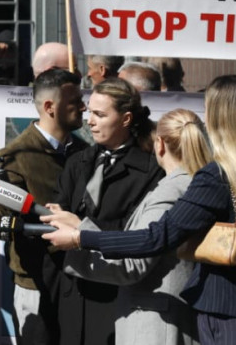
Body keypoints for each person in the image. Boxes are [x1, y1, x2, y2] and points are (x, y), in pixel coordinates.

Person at [43, 75, 236, 345]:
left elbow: (155, 239)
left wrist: (83, 238)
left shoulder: (217, 176)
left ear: (215, 118)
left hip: (231, 322)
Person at [48, 108, 211, 345]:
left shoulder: (169, 191)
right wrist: (81, 225)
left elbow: (133, 263)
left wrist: (75, 241)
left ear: (160, 145)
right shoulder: (195, 183)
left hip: (155, 325)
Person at [0, 69, 88, 345]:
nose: (83, 106)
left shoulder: (84, 153)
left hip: (80, 278)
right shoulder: (16, 155)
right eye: (75, 101)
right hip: (37, 282)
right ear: (49, 107)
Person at [52, 77, 165, 345]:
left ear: (125, 119)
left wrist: (79, 228)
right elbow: (58, 211)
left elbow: (134, 234)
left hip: (114, 298)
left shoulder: (150, 171)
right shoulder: (78, 161)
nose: (90, 121)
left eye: (100, 115)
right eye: (89, 112)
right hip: (72, 294)